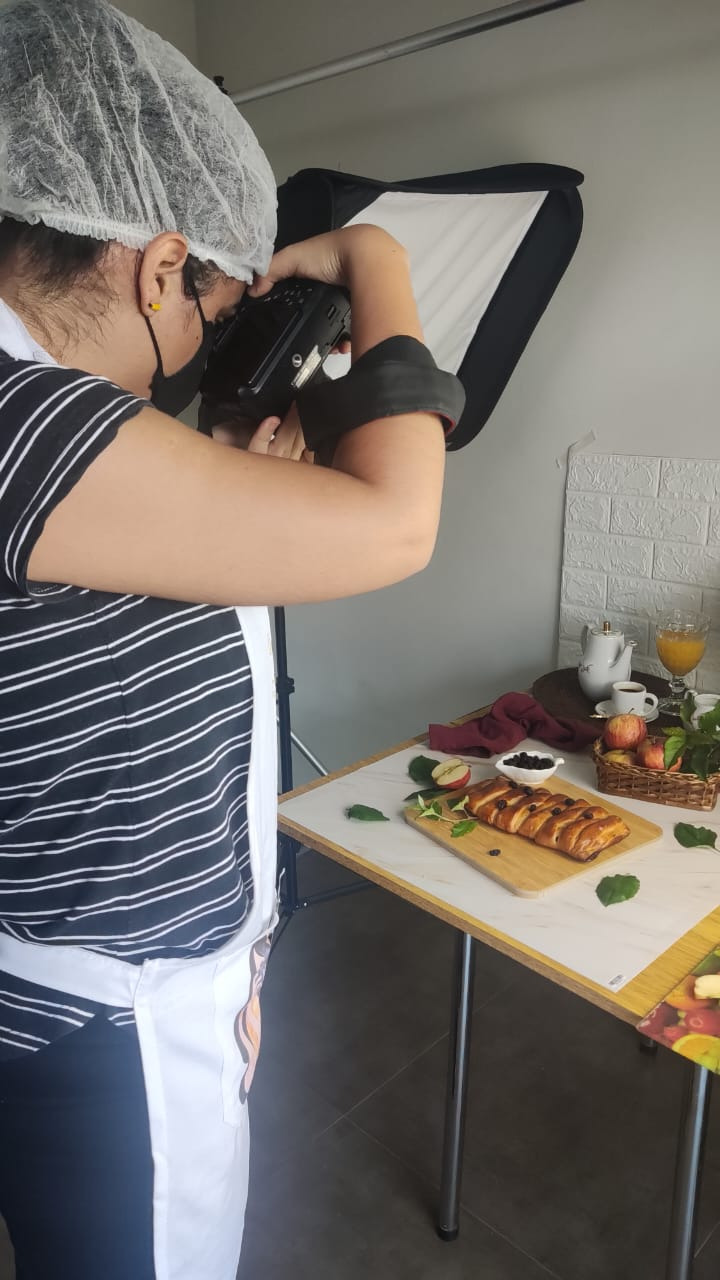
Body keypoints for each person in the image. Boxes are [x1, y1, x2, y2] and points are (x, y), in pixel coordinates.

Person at [0, 2, 456, 1278]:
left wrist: (233, 485)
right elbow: (395, 524)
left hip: (83, 971)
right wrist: (378, 264)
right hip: (109, 1007)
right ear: (155, 269)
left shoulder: (41, 421)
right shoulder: (25, 419)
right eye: (208, 301)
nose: (208, 340)